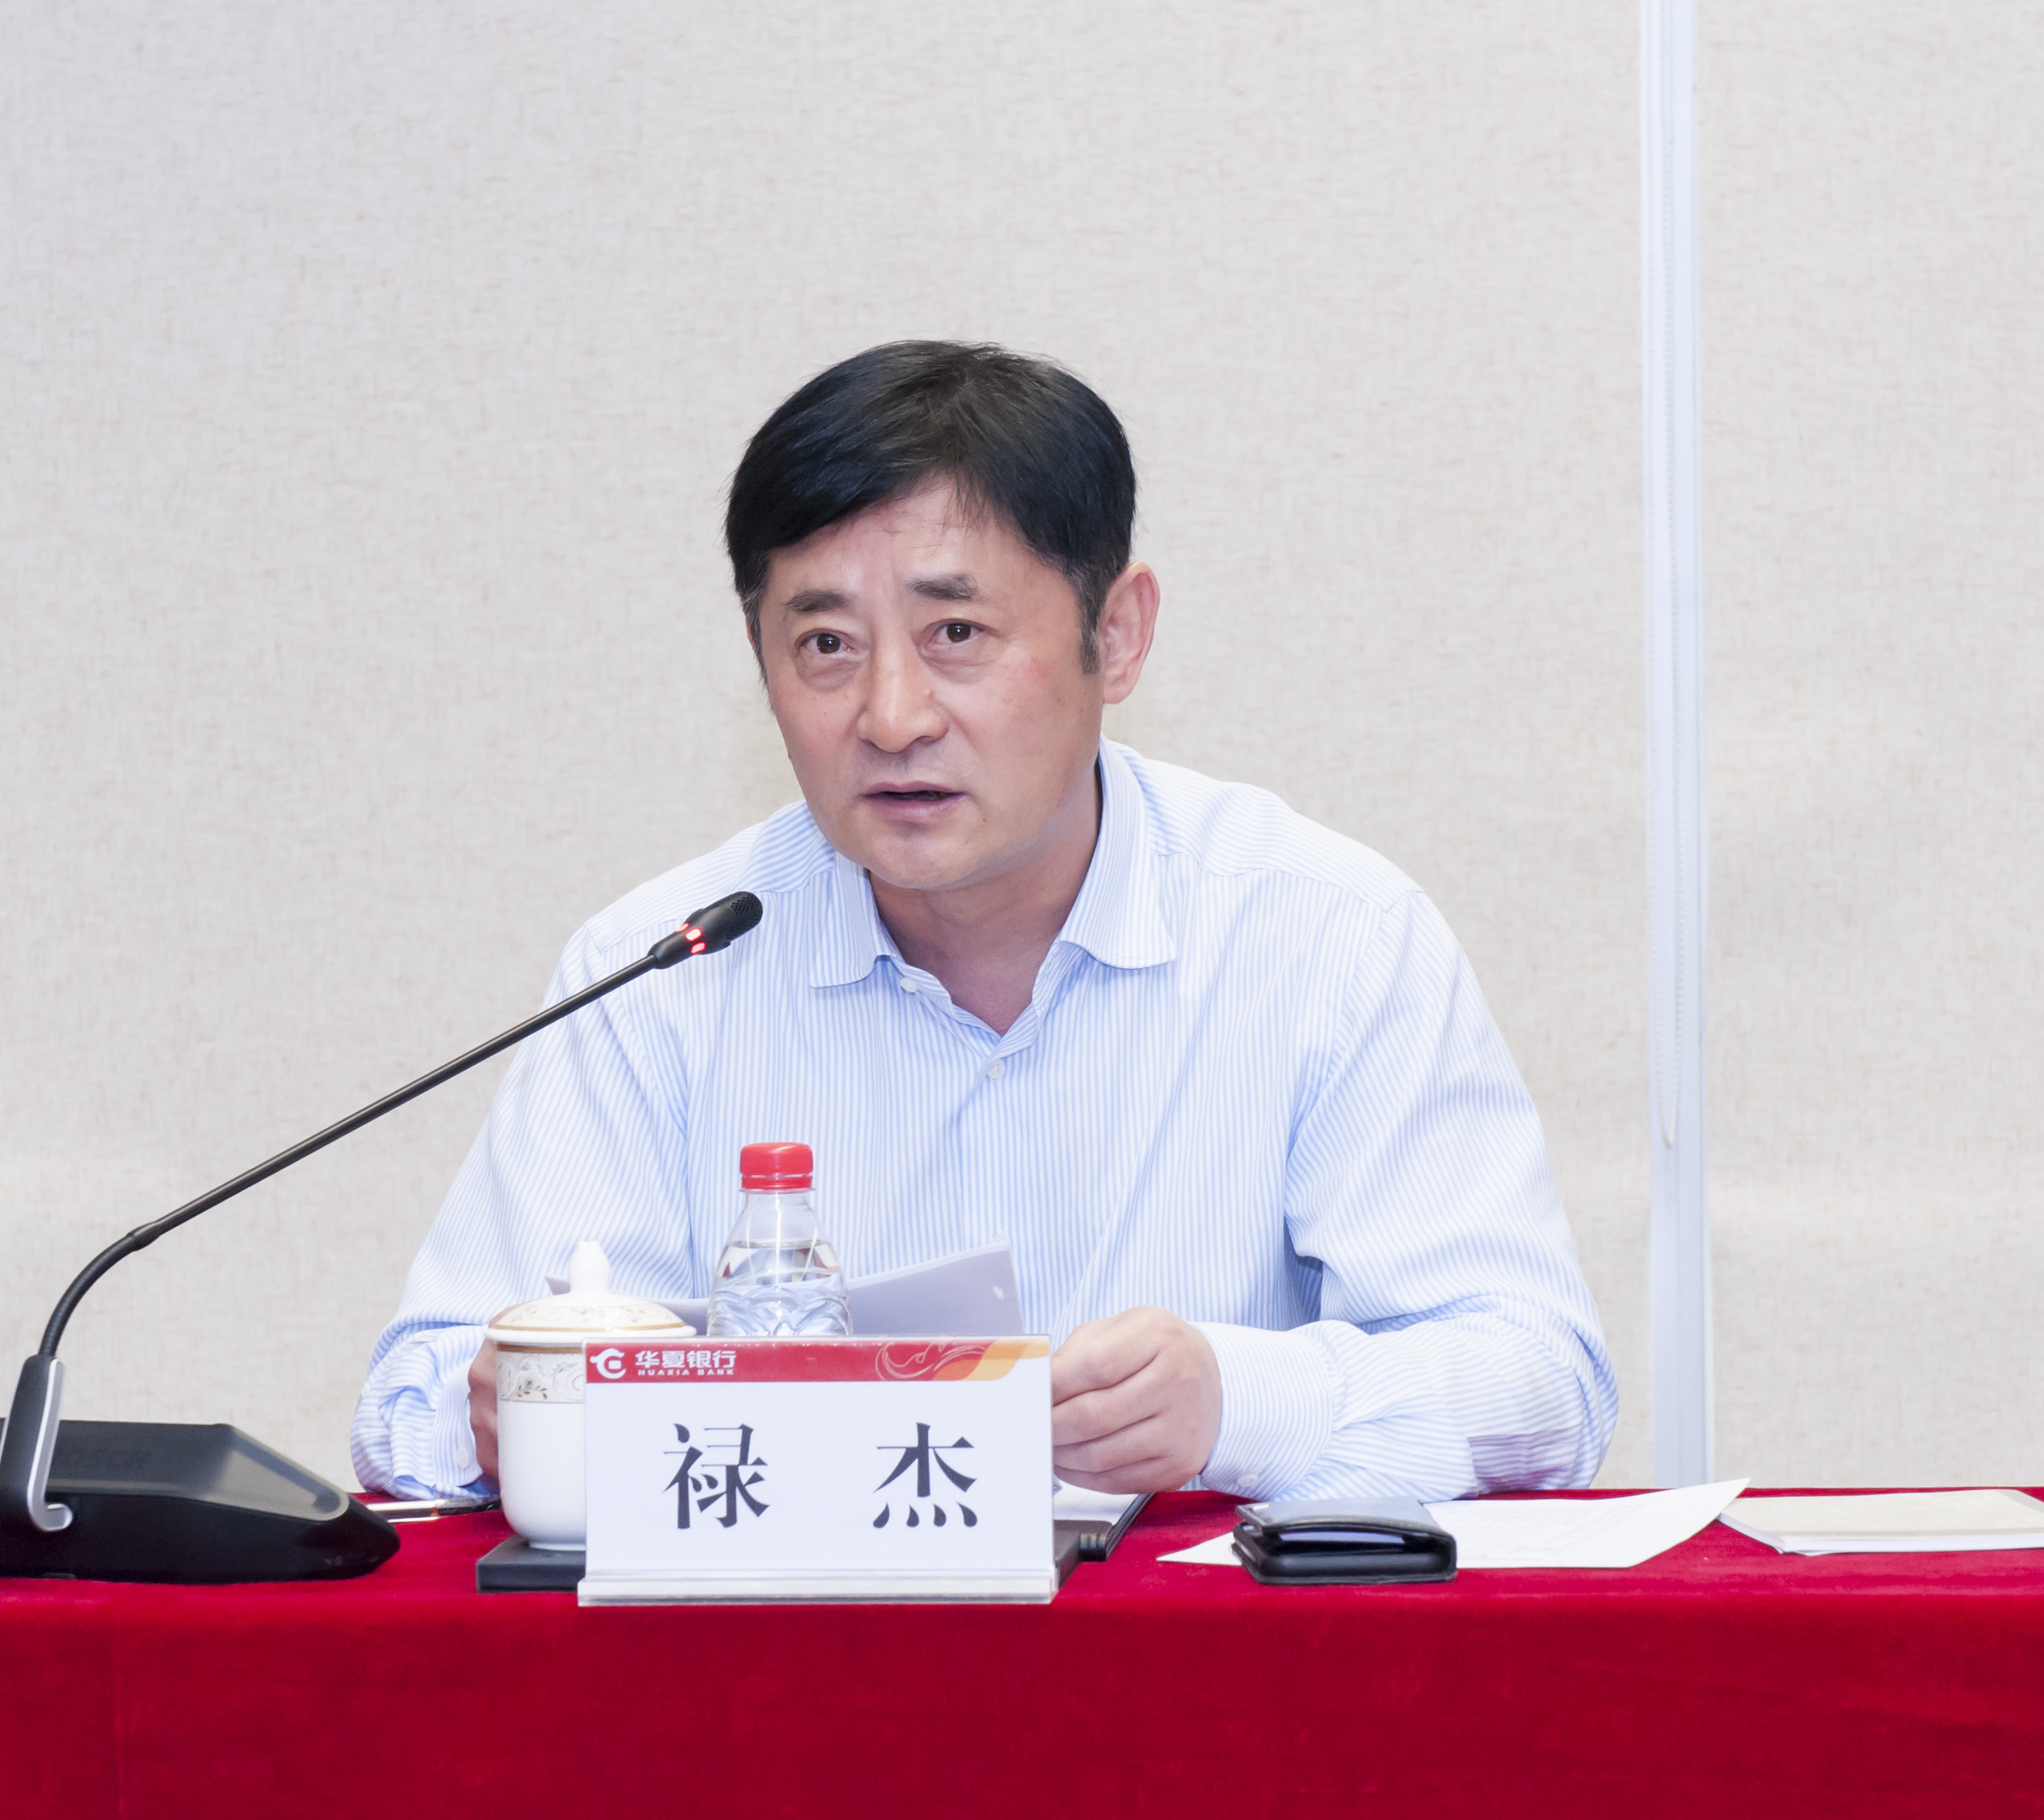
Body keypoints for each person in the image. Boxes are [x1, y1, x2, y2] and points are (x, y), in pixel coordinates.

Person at [353, 341, 1615, 1504]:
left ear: (1116, 634)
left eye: (955, 632)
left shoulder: (1326, 938)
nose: (892, 715)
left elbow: (1541, 1383)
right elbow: (412, 1395)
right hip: (784, 1661)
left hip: (1185, 1666)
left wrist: (1237, 1402)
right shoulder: (663, 971)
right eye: (826, 644)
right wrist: (505, 1402)